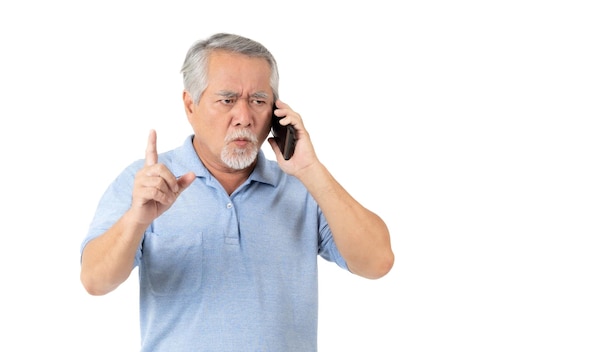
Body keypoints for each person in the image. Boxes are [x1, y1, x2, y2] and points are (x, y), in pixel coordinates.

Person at [80, 32, 394, 351]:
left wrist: (311, 170)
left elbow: (378, 261)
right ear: (191, 105)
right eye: (227, 99)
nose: (244, 117)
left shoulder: (303, 187)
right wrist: (137, 219)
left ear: (276, 111)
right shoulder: (147, 182)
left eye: (258, 101)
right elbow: (95, 280)